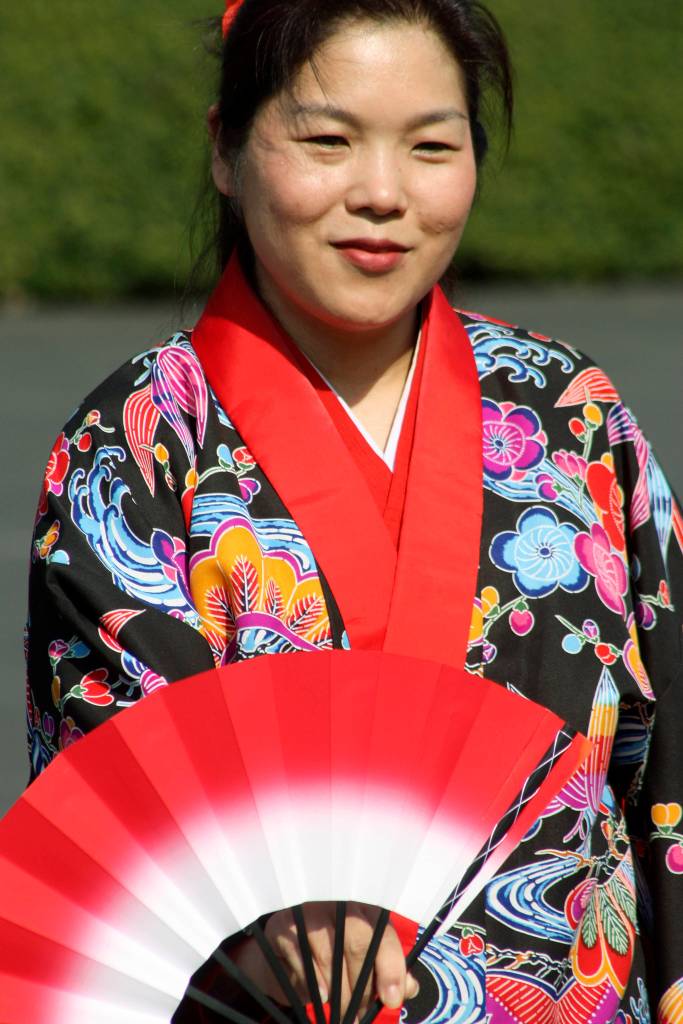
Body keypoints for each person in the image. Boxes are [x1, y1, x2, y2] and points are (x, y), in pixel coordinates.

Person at [25, 0, 682, 1022]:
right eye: (326, 141)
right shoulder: (138, 441)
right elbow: (127, 794)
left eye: (430, 145)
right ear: (226, 149)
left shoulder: (570, 415)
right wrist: (262, 892)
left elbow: (665, 778)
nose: (380, 193)